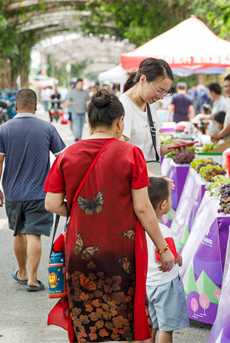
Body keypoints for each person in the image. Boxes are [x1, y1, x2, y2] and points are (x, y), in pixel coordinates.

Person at [44, 90, 175, 342]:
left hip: (80, 250)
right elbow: (144, 208)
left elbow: (51, 202)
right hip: (122, 253)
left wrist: (78, 209)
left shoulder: (67, 155)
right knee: (124, 321)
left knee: (87, 322)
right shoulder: (130, 153)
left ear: (90, 123)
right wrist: (163, 248)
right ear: (119, 122)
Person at [0, 88, 66, 292]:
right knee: (35, 235)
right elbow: (62, 159)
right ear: (35, 106)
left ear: (15, 106)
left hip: (13, 193)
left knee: (19, 232)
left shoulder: (4, 129)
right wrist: (62, 186)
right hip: (40, 192)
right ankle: (33, 278)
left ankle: (22, 271)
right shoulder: (47, 128)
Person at [120, 57, 189, 176]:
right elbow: (119, 154)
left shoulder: (149, 103)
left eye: (165, 93)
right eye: (159, 90)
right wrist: (150, 175)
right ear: (143, 80)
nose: (161, 97)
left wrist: (170, 147)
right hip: (133, 182)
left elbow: (150, 151)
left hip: (149, 179)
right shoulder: (124, 107)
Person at [145, 177, 189, 343]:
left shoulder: (137, 228)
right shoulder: (164, 231)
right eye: (170, 197)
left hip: (147, 284)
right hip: (166, 285)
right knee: (167, 329)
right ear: (163, 205)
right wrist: (178, 258)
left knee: (151, 324)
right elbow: (168, 255)